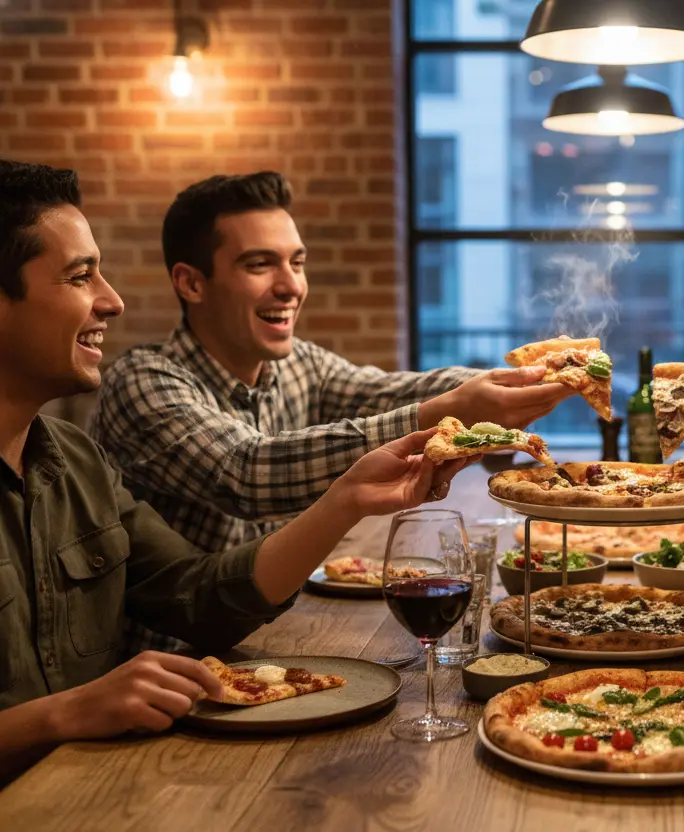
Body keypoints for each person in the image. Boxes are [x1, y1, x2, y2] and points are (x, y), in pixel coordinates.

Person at [0, 160, 476, 777]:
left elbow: (200, 597)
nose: (111, 299)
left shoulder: (74, 461)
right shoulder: (144, 381)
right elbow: (244, 470)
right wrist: (59, 716)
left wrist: (347, 500)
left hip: (116, 773)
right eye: (79, 275)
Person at [88, 172, 568, 652]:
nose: (290, 285)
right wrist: (448, 410)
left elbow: (388, 392)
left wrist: (512, 382)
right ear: (191, 282)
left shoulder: (300, 364)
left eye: (297, 262)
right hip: (163, 672)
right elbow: (247, 473)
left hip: (270, 641)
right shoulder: (142, 381)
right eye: (260, 264)